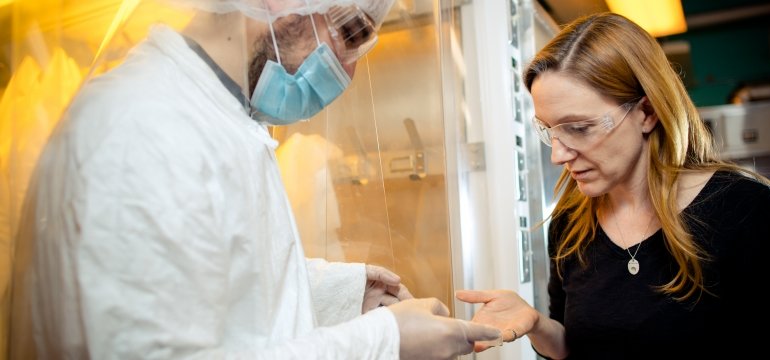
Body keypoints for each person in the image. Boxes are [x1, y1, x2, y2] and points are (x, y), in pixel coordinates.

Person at [7, 0, 501, 358]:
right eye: (350, 34)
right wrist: (382, 341)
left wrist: (343, 294)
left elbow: (211, 277)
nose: (348, 71)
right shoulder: (143, 125)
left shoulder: (222, 113)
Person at [456, 12, 770, 359]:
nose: (557, 156)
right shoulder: (571, 224)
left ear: (646, 112)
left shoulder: (755, 216)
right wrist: (539, 325)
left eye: (578, 128)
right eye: (550, 131)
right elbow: (578, 349)